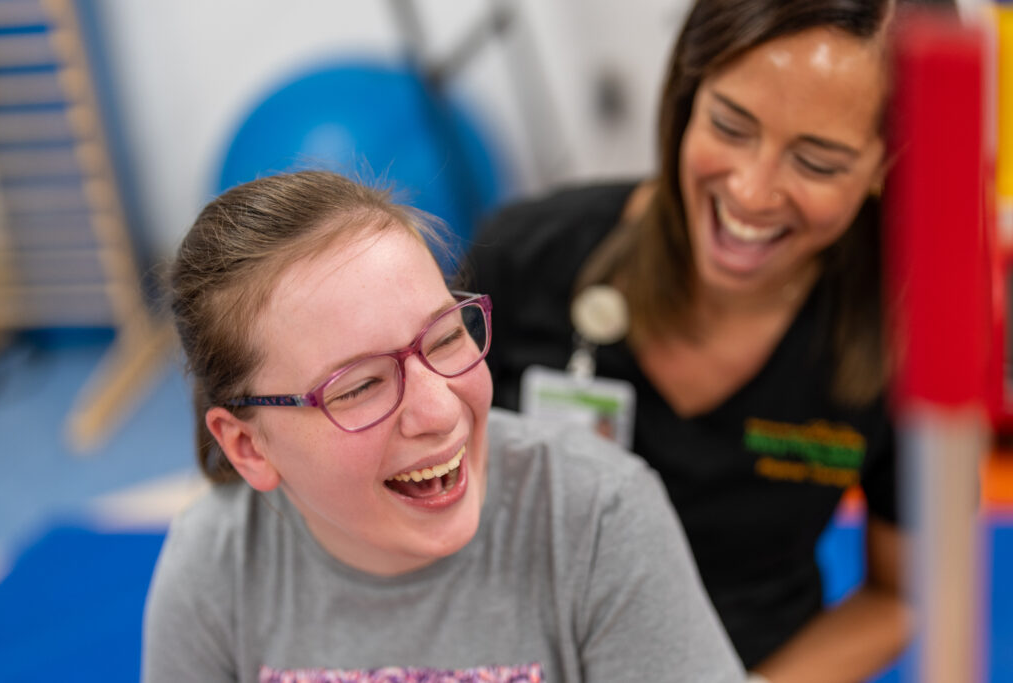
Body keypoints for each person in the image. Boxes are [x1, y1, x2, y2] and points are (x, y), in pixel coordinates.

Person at [462, 1, 958, 681]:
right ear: (687, 96)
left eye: (816, 163)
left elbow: (902, 595)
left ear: (885, 164)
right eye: (730, 125)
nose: (752, 193)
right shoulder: (524, 260)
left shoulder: (909, 336)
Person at [142, 170, 744, 682]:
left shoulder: (598, 517)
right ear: (248, 446)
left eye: (448, 336)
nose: (440, 411)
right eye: (359, 386)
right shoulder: (215, 564)